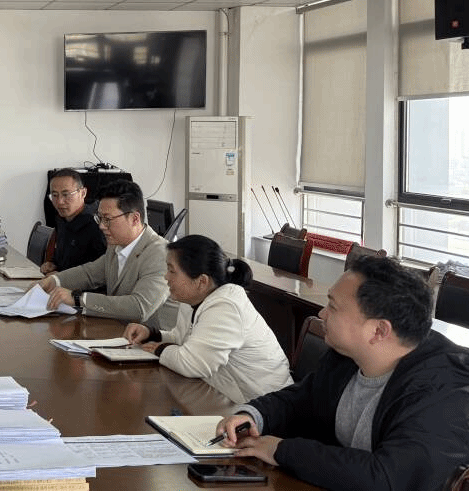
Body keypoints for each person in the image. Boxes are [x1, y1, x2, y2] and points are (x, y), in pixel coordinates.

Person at [217, 255, 469, 491]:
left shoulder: (442, 394)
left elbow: (385, 478)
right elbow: (301, 400)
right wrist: (253, 415)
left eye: (333, 307)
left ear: (378, 330)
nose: (322, 313)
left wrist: (282, 450)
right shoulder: (347, 357)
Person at [124, 234, 292, 404]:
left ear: (201, 281)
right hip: (231, 399)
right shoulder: (195, 298)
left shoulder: (226, 307)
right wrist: (151, 334)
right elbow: (182, 339)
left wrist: (159, 349)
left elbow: (192, 364)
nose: (166, 277)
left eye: (172, 271)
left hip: (267, 407)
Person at [39, 180, 177, 329]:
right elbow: (89, 274)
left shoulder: (161, 255)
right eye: (99, 218)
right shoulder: (116, 245)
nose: (101, 226)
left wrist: (78, 299)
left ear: (134, 219)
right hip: (119, 331)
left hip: (151, 340)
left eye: (107, 219)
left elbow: (139, 307)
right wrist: (53, 281)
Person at [39, 168, 107, 275]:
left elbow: (102, 271)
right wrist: (53, 264)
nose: (60, 202)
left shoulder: (97, 224)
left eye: (66, 195)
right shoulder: (61, 219)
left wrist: (62, 278)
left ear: (83, 193)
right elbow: (64, 259)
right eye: (55, 195)